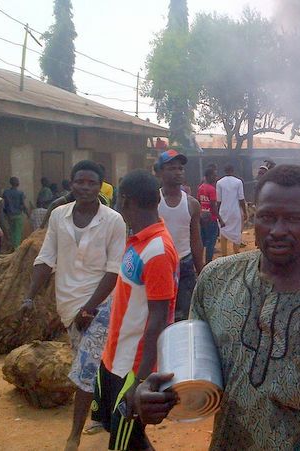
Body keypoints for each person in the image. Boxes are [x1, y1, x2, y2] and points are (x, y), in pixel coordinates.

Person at [133, 165, 300, 449]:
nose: (278, 230)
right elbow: (191, 379)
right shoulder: (216, 281)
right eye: (267, 217)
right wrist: (153, 398)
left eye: (293, 218)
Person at [21, 160, 126, 450]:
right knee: (93, 363)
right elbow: (46, 258)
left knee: (85, 368)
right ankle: (102, 415)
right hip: (68, 304)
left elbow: (113, 271)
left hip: (101, 303)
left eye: (92, 182)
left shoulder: (113, 220)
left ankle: (74, 435)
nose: (85, 187)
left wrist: (90, 308)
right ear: (71, 183)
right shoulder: (58, 216)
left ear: (100, 186)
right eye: (80, 181)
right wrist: (29, 295)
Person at [92, 169, 177, 451]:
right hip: (115, 359)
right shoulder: (140, 241)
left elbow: (158, 319)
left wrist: (139, 381)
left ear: (125, 201)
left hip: (133, 369)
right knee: (127, 439)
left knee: (129, 442)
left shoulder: (157, 251)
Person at [156, 150, 205, 322]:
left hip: (184, 265)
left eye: (180, 168)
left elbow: (196, 241)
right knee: (158, 316)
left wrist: (202, 272)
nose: (178, 172)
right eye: (171, 168)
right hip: (157, 265)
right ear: (160, 172)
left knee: (183, 317)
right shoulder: (153, 201)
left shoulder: (192, 204)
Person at [216, 164, 247, 257]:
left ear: (224, 171)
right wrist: (244, 212)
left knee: (224, 233)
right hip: (235, 212)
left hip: (223, 211)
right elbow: (241, 199)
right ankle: (236, 254)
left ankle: (224, 256)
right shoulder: (238, 182)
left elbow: (218, 200)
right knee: (236, 233)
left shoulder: (219, 182)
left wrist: (217, 213)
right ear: (233, 171)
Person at [198, 167, 223, 264]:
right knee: (211, 243)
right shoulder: (212, 189)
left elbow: (199, 202)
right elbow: (213, 206)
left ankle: (200, 262)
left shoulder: (201, 187)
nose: (216, 177)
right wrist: (220, 219)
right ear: (209, 176)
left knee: (203, 242)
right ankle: (208, 263)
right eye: (214, 175)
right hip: (211, 219)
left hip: (203, 218)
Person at [2, 176, 28, 249]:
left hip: (9, 215)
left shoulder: (6, 192)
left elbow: (4, 204)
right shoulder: (20, 193)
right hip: (18, 215)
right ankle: (16, 248)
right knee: (17, 232)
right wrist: (28, 214)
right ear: (17, 183)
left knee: (11, 231)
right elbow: (22, 205)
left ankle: (11, 246)